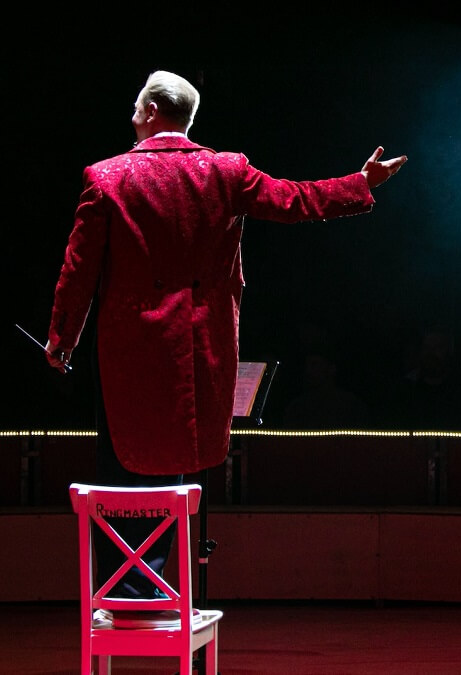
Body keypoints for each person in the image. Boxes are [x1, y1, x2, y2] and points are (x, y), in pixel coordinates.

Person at [43, 70, 407, 602]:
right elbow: (296, 200)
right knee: (182, 466)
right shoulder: (225, 171)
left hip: (130, 352)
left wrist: (61, 340)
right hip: (199, 348)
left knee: (126, 467)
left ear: (147, 112)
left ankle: (132, 589)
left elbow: (78, 272)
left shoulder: (105, 178)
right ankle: (172, 586)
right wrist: (361, 183)